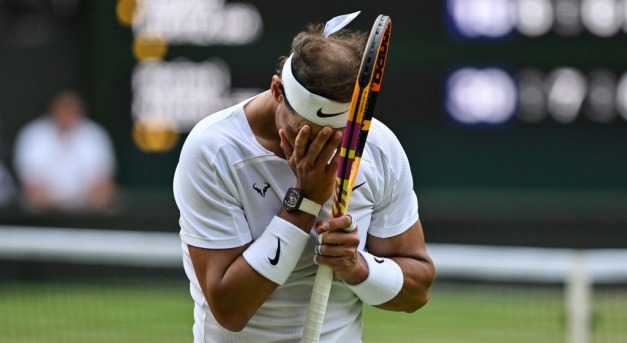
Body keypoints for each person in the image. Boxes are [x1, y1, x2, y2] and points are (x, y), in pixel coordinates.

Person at [173, 12, 435, 342]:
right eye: (306, 132)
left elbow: (417, 292)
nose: (324, 149)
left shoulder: (379, 148)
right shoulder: (213, 150)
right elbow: (230, 310)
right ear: (277, 90)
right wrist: (304, 203)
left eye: (339, 135)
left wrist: (358, 268)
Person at [13, 90, 117, 213]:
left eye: (71, 111)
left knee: (109, 195)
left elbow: (102, 176)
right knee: (29, 197)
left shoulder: (94, 133)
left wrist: (92, 198)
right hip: (45, 200)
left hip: (85, 200)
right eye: (63, 110)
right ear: (53, 111)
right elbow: (30, 177)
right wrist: (47, 200)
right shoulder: (34, 133)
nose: (66, 115)